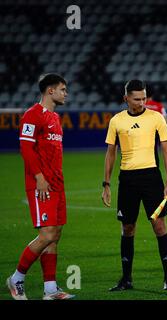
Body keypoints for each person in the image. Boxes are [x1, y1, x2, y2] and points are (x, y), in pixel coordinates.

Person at [102, 80, 167, 291]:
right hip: (127, 180)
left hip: (151, 178)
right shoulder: (116, 121)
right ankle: (126, 279)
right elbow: (110, 153)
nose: (142, 102)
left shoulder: (156, 118)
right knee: (127, 228)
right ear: (126, 98)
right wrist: (106, 183)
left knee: (159, 226)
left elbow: (166, 151)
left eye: (144, 98)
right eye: (137, 99)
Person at [7, 73, 75, 300]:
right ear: (50, 90)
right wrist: (39, 178)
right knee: (46, 234)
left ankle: (50, 290)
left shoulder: (55, 119)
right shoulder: (32, 115)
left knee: (55, 235)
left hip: (57, 184)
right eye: (63, 89)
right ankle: (16, 278)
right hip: (41, 185)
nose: (66, 93)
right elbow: (26, 149)